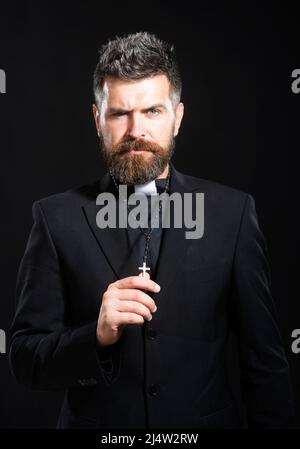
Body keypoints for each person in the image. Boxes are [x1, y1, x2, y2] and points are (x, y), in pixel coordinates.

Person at [9, 31, 294, 429]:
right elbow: (24, 360)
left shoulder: (233, 213)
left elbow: (265, 367)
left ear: (177, 117)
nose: (135, 130)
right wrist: (96, 335)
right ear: (97, 120)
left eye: (152, 112)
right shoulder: (54, 218)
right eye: (119, 113)